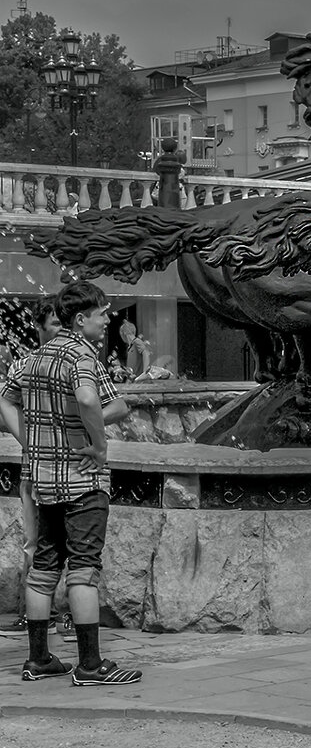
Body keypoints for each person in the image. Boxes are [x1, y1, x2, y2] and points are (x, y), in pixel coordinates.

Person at [0, 281, 140, 685]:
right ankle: (91, 665)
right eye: (102, 313)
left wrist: (29, 440)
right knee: (83, 569)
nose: (108, 318)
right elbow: (89, 399)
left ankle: (39, 658)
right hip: (82, 481)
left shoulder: (33, 358)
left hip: (43, 481)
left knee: (44, 567)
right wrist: (98, 446)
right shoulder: (82, 354)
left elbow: (4, 399)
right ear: (81, 319)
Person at [0, 295, 76, 642]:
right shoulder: (26, 364)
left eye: (65, 320)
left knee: (78, 543)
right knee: (37, 543)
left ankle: (72, 615)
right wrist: (29, 441)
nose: (63, 326)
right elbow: (3, 400)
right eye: (56, 322)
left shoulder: (77, 359)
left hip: (73, 468)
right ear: (40, 326)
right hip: (36, 470)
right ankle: (37, 619)